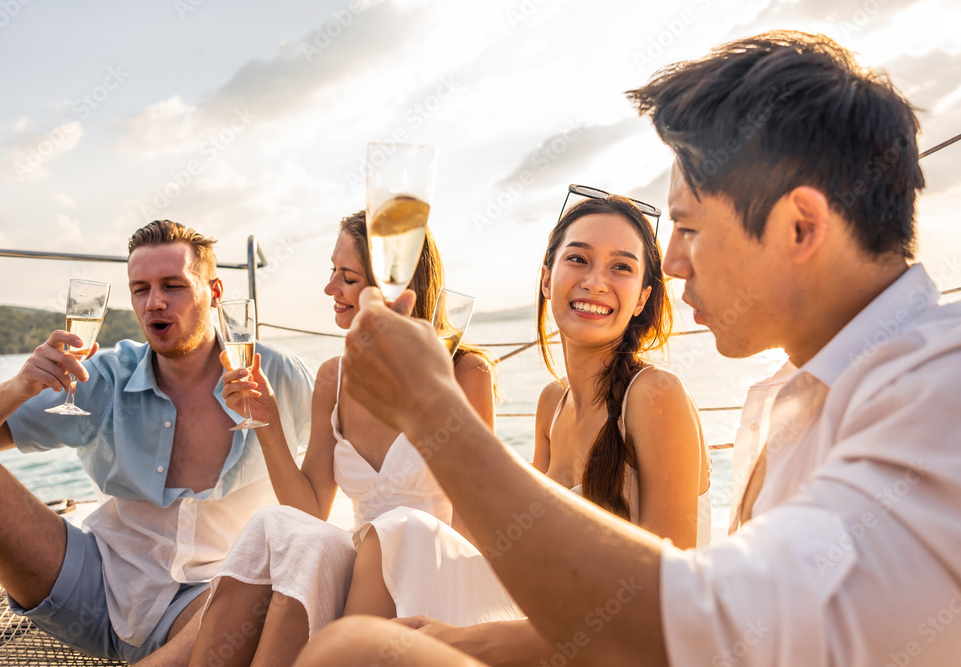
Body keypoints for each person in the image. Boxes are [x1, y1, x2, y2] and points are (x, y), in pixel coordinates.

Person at [293, 31, 961, 666]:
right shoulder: (797, 395)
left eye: (690, 228)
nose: (670, 263)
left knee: (354, 650)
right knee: (354, 647)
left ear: (799, 226)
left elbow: (699, 631)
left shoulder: (936, 387)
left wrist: (433, 413)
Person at [338, 193, 711, 662]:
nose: (595, 281)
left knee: (355, 640)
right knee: (398, 536)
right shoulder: (552, 403)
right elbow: (519, 552)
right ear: (546, 279)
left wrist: (459, 638)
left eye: (621, 267)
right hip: (554, 619)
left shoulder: (654, 395)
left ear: (643, 299)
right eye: (578, 258)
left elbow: (664, 613)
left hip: (621, 648)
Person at [0, 220, 314, 664]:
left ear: (215, 291)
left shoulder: (277, 375)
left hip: (206, 603)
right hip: (94, 586)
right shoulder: (101, 377)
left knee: (255, 593)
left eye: (173, 285)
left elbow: (341, 470)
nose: (155, 303)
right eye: (140, 289)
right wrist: (19, 387)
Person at [186, 210, 496, 667]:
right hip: (365, 570)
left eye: (346, 276)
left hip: (440, 567)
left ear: (393, 288)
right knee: (277, 526)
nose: (330, 288)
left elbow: (480, 515)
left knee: (398, 528)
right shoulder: (333, 378)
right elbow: (310, 509)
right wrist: (267, 423)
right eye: (332, 272)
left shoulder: (463, 373)